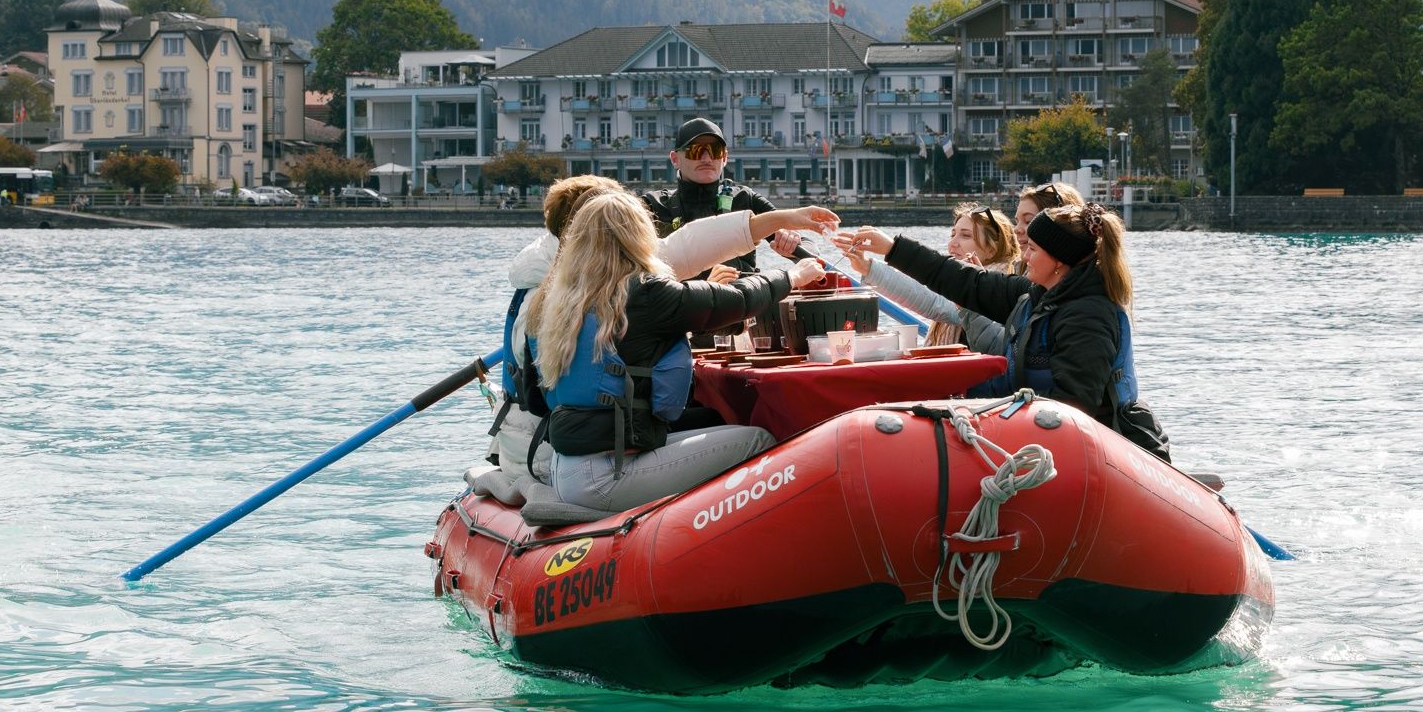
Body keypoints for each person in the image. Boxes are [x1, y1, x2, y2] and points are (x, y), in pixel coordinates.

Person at [488, 175, 837, 487]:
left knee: (712, 418)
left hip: (564, 464)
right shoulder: (644, 291)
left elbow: (535, 398)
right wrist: (792, 276)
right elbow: (740, 299)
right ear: (637, 233)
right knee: (758, 440)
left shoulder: (549, 298)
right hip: (609, 472)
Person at [844, 202, 1171, 462]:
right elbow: (964, 281)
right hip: (1031, 434)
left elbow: (1073, 408)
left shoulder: (1088, 317)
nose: (1024, 256)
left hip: (1096, 452)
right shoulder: (1035, 294)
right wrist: (893, 249)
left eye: (1033, 250)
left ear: (1059, 261)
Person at [644, 118, 803, 278]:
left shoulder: (744, 198)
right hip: (679, 292)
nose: (706, 159)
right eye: (695, 151)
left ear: (725, 158)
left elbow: (807, 246)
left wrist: (790, 241)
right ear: (675, 159)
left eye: (715, 150)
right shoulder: (652, 206)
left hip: (741, 291)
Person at [847, 204, 1017, 353]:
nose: (953, 243)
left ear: (992, 249)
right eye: (952, 234)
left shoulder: (1001, 291)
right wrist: (866, 266)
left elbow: (936, 303)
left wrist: (879, 261)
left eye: (965, 236)